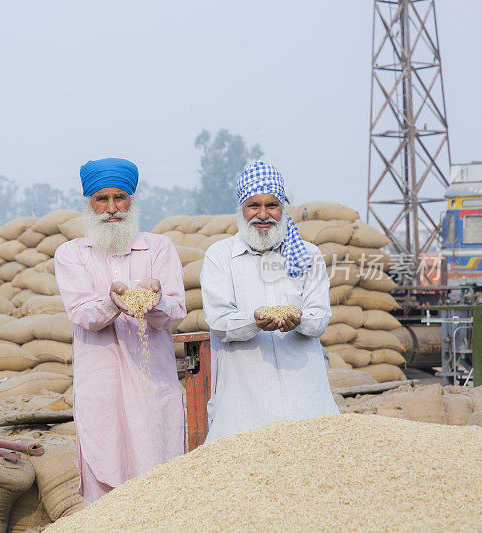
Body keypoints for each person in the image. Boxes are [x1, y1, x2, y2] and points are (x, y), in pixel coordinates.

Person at [54, 157, 186, 506]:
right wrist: (114, 302)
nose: (111, 209)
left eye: (120, 198)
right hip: (101, 383)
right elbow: (82, 313)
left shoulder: (159, 248)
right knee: (105, 468)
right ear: (89, 204)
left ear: (132, 200)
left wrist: (154, 300)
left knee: (159, 465)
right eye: (102, 199)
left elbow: (176, 310)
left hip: (151, 380)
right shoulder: (72, 254)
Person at [200, 161, 338, 443]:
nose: (263, 215)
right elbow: (218, 320)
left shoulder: (307, 254)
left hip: (305, 395)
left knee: (312, 468)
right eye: (253, 205)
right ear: (241, 209)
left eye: (272, 205)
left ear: (283, 208)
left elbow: (320, 316)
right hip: (244, 396)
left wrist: (300, 320)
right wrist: (255, 320)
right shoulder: (220, 256)